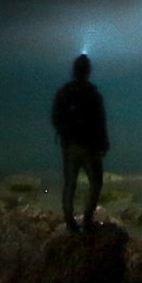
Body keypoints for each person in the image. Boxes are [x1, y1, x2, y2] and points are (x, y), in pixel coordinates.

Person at [50, 52, 109, 230]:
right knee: (96, 183)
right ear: (88, 71)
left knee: (70, 183)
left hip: (69, 145)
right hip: (89, 146)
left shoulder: (63, 92)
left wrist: (64, 132)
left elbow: (55, 118)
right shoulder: (93, 94)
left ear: (74, 71)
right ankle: (87, 220)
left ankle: (70, 221)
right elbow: (100, 121)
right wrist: (104, 143)